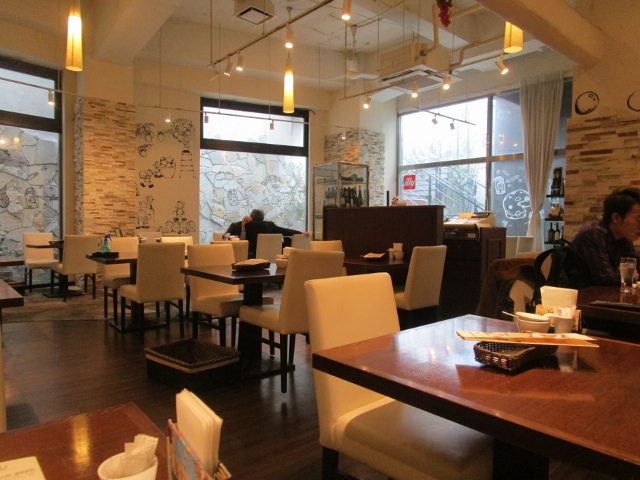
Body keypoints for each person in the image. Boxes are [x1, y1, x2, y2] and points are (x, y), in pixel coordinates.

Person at [571, 187, 640, 286]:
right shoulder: (594, 233)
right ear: (616, 218)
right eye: (638, 219)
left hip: (597, 294)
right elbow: (605, 279)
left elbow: (637, 266)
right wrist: (631, 277)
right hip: (574, 294)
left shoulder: (623, 238)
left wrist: (631, 276)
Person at [244, 209, 310, 257]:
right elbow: (284, 231)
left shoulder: (248, 225)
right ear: (263, 217)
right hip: (271, 253)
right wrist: (300, 232)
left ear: (251, 217)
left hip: (253, 254)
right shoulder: (270, 225)